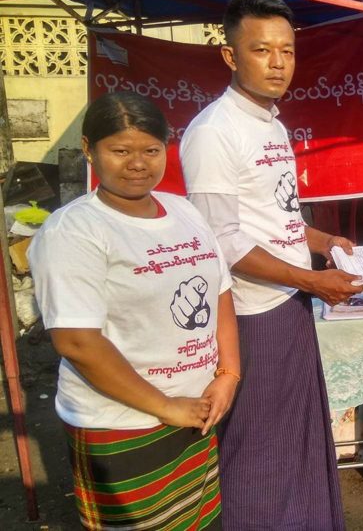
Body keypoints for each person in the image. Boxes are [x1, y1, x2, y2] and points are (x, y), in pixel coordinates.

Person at [179, 0, 360, 528]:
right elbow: (223, 242)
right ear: (231, 56)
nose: (278, 62)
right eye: (262, 50)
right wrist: (310, 277)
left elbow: (275, 215)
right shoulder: (214, 132)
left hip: (290, 299)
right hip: (253, 313)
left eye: (287, 50)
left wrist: (322, 240)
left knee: (298, 437)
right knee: (257, 449)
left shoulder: (273, 124)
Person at [28, 91, 239, 529]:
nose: (138, 163)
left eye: (150, 150)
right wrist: (165, 406)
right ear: (89, 150)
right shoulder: (74, 231)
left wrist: (228, 375)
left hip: (195, 411)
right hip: (121, 422)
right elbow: (76, 341)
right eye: (120, 151)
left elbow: (220, 290)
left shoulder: (183, 211)